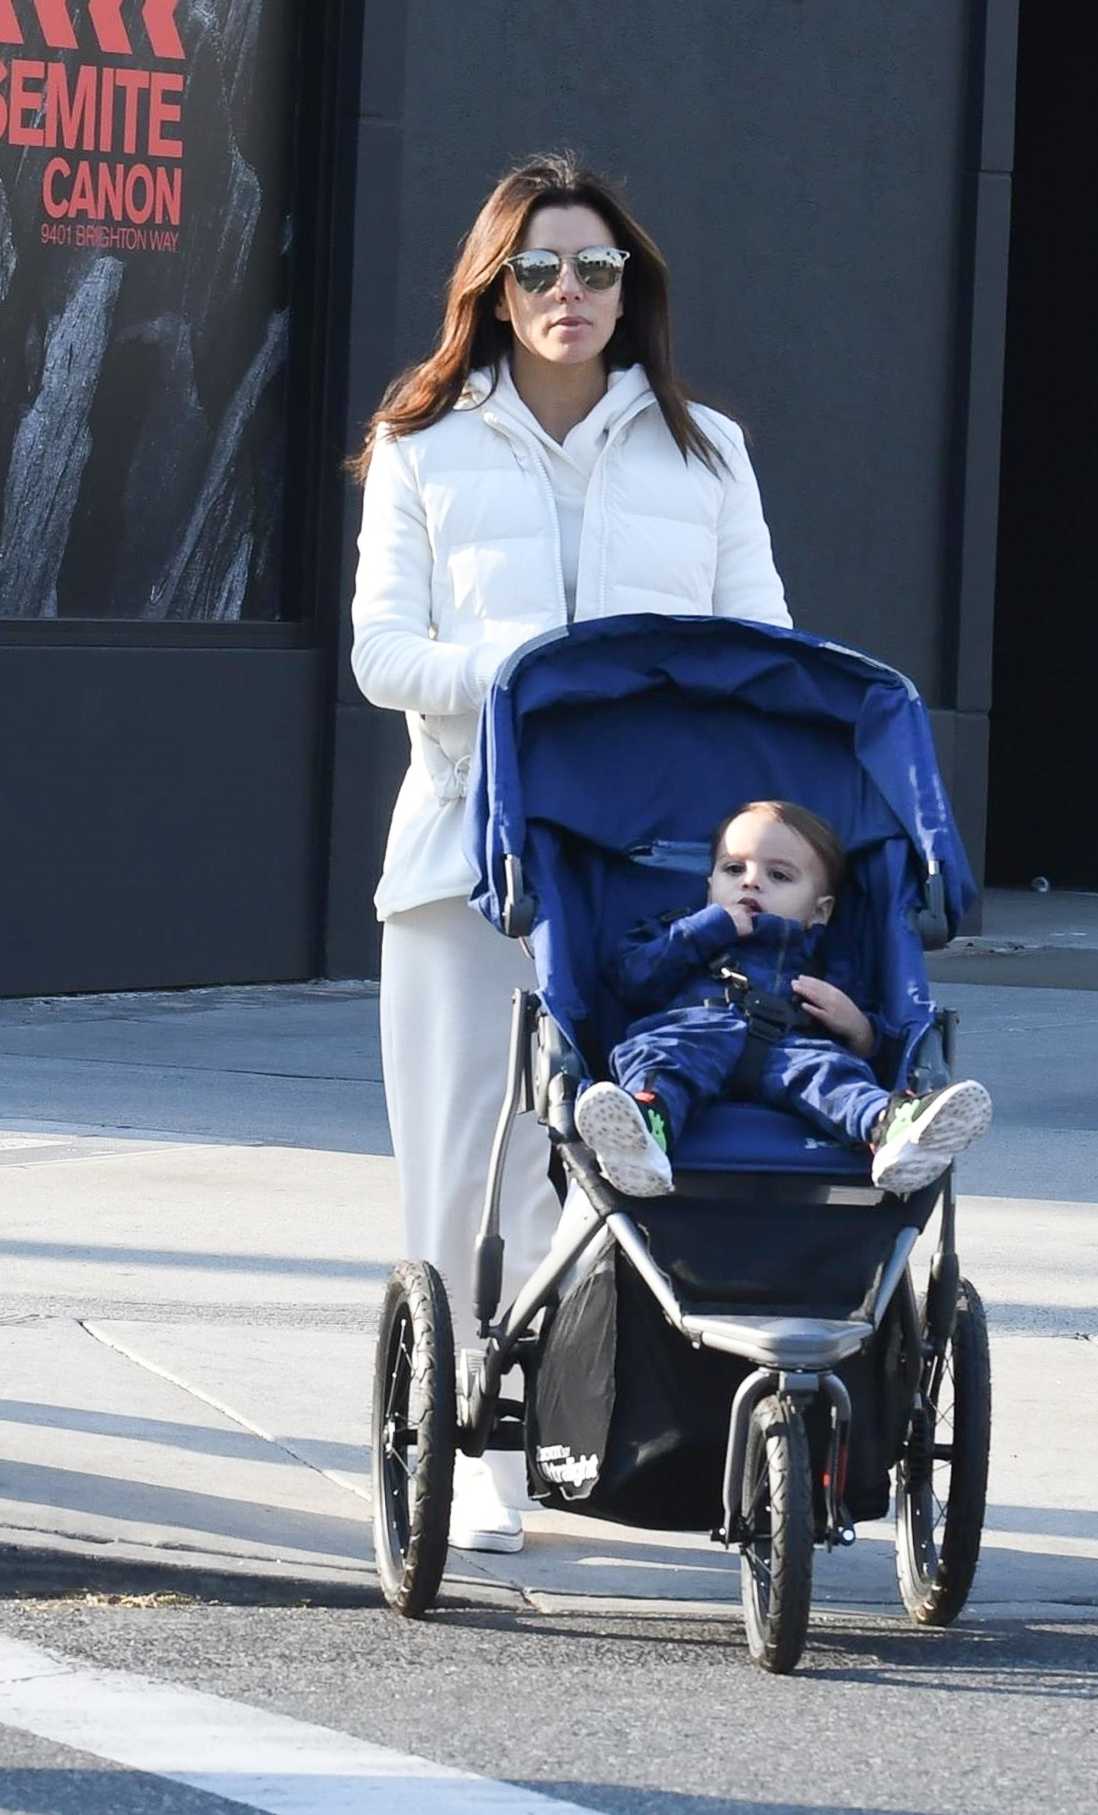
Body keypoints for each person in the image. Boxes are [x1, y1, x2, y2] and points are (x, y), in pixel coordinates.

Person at [349, 153, 790, 1553]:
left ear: (628, 288)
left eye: (594, 269)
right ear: (493, 289)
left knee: (607, 1151)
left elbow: (760, 649)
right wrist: (529, 670)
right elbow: (380, 656)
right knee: (458, 1159)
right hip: (458, 858)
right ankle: (464, 1441)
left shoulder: (702, 449)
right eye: (537, 268)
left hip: (649, 871)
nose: (567, 292)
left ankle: (567, 1409)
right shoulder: (423, 447)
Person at [574, 800, 992, 1197]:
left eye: (780, 876)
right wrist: (705, 929)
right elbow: (631, 980)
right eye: (733, 868)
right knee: (659, 1057)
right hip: (694, 1036)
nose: (750, 881)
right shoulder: (680, 934)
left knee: (833, 1073)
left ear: (820, 910)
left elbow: (874, 1041)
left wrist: (860, 1029)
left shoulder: (831, 960)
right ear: (709, 886)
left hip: (790, 1051)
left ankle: (892, 1128)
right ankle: (644, 1130)